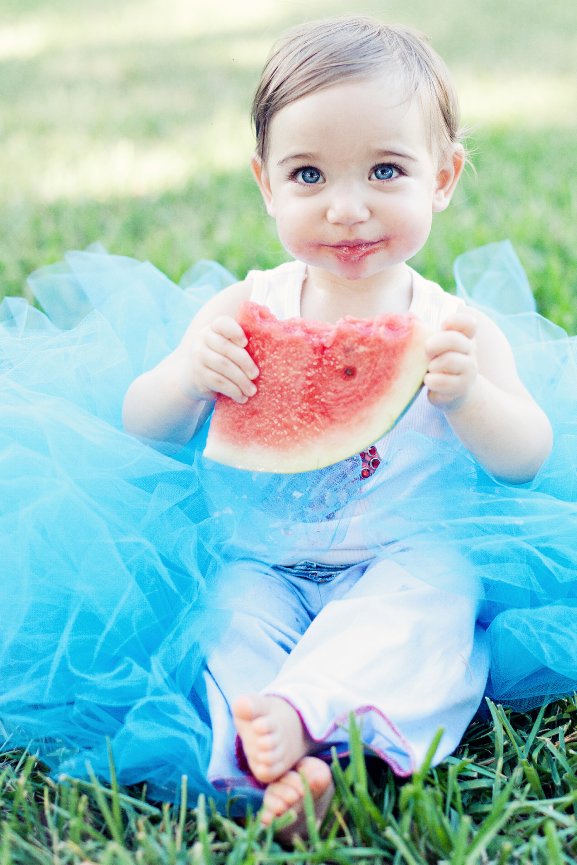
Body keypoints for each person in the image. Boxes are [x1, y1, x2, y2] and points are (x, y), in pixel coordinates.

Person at [2, 12, 577, 845]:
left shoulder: (455, 327)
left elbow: (526, 456)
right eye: (308, 174)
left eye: (385, 170)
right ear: (265, 184)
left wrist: (469, 399)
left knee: (435, 607)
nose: (346, 208)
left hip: (401, 553)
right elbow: (143, 425)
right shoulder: (243, 308)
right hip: (259, 556)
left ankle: (320, 727)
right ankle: (264, 746)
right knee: (224, 620)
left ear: (444, 176)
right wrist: (187, 376)